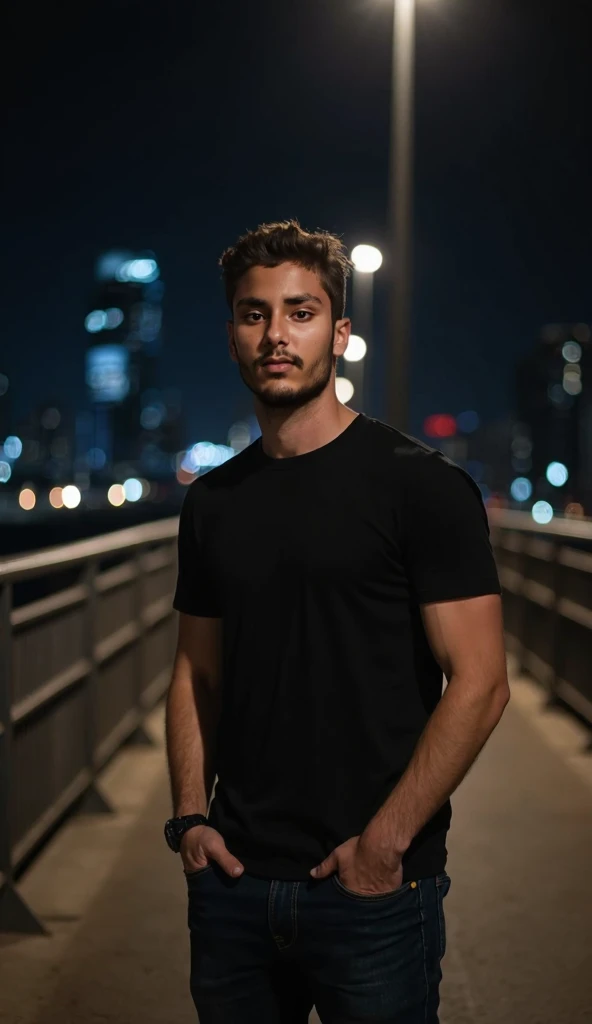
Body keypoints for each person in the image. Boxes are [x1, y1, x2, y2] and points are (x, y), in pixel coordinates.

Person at [165, 219, 509, 1023]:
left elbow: (483, 682)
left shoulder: (420, 488)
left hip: (375, 893)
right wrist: (188, 820)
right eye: (255, 315)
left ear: (340, 332)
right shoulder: (212, 503)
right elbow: (196, 672)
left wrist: (384, 845)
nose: (276, 335)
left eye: (300, 311)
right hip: (234, 886)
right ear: (231, 337)